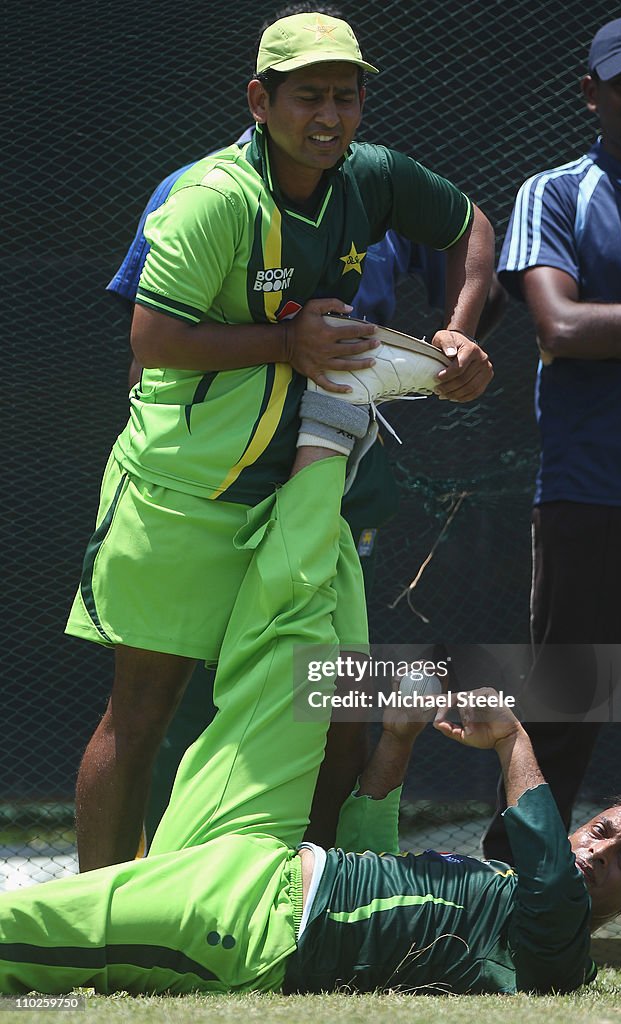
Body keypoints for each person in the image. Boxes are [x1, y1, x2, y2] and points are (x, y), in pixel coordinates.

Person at [0, 413, 621, 993]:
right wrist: (396, 741)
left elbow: (545, 865)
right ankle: (326, 428)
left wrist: (511, 740)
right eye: (601, 831)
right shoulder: (505, 890)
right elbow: (368, 855)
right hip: (258, 851)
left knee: (33, 927)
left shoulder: (559, 956)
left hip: (254, 927)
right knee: (306, 659)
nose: (601, 852)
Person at [66, 9, 495, 872]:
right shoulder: (209, 199)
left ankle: (306, 920)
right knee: (142, 713)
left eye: (345, 96)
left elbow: (472, 226)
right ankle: (95, 925)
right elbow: (150, 339)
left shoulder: (369, 176)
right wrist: (285, 343)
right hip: (181, 495)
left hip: (302, 495)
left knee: (333, 710)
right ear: (261, 100)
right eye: (308, 97)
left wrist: (456, 333)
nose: (328, 116)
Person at [484, 12, 621, 862]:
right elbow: (559, 329)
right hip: (593, 490)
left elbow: (585, 328)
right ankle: (506, 903)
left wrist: (616, 330)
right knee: (563, 710)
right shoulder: (552, 191)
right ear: (591, 93)